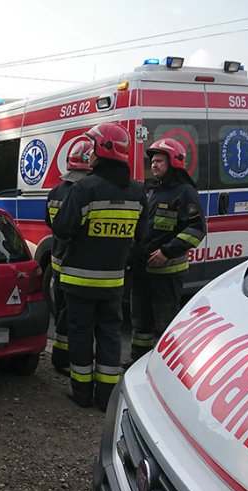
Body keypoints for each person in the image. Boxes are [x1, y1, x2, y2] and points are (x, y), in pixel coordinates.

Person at [51, 123, 145, 410]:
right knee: (110, 336)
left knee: (80, 335)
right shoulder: (138, 192)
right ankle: (106, 398)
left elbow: (63, 230)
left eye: (92, 147)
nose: (88, 154)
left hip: (79, 281)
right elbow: (140, 240)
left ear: (102, 150)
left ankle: (82, 393)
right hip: (114, 283)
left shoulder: (85, 188)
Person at [127, 137, 206, 365]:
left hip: (167, 272)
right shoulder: (150, 190)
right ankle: (137, 360)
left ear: (174, 162)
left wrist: (167, 252)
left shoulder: (184, 192)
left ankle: (164, 366)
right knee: (140, 320)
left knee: (165, 322)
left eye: (160, 161)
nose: (154, 165)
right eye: (153, 161)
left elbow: (197, 229)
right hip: (143, 269)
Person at [46, 138, 93, 376]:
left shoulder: (56, 191)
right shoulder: (86, 192)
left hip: (57, 261)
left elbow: (51, 224)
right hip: (76, 264)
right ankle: (69, 358)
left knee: (62, 310)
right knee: (74, 317)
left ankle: (59, 355)